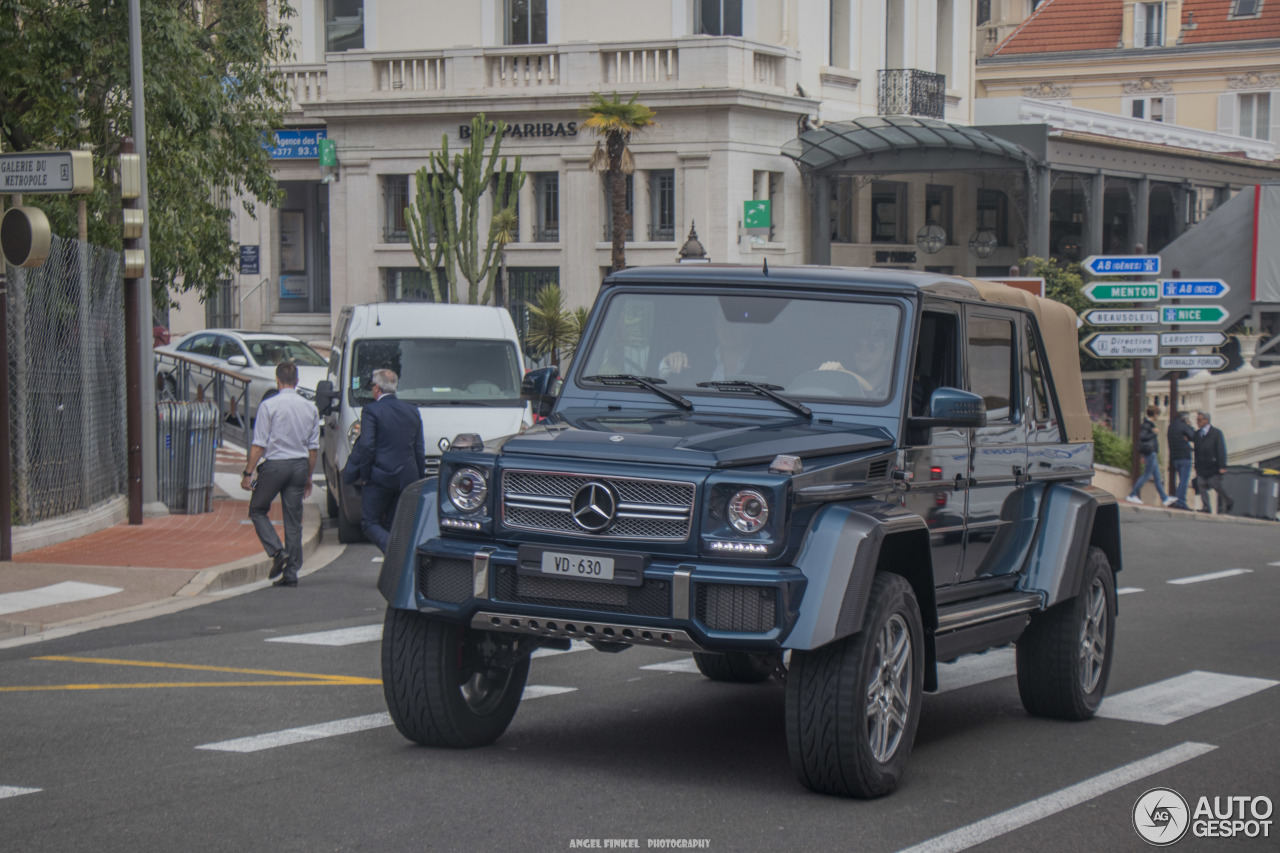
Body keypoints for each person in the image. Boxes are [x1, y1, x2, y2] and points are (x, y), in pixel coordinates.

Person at [242, 361, 320, 587]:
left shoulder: (269, 406)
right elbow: (313, 449)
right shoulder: (310, 408)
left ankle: (277, 552)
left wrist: (248, 474)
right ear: (296, 382)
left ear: (277, 380)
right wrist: (308, 477)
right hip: (298, 466)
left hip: (275, 465)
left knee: (257, 509)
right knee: (293, 520)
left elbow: (259, 445)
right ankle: (292, 572)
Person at [342, 368, 426, 552]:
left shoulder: (371, 410)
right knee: (393, 524)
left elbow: (367, 445)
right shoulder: (411, 411)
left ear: (377, 388)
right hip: (407, 476)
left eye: (372, 385)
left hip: (380, 475)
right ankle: (394, 572)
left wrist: (364, 474)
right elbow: (419, 449)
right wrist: (420, 477)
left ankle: (396, 555)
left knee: (369, 522)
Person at [1126, 405, 1172, 506]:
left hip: (1151, 452)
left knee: (1157, 477)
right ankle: (1132, 494)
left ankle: (1164, 498)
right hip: (1150, 452)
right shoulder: (1148, 425)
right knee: (1147, 474)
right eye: (1157, 414)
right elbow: (1142, 437)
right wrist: (1153, 433)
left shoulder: (1148, 424)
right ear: (1155, 414)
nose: (1158, 416)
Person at [1192, 410, 1232, 514]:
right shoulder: (1197, 434)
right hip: (1202, 465)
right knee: (1201, 485)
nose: (1197, 422)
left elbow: (1221, 449)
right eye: (1197, 420)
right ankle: (1206, 507)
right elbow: (1196, 450)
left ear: (1206, 421)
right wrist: (1195, 465)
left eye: (1199, 420)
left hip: (1213, 465)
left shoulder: (1216, 433)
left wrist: (1222, 465)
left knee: (1215, 484)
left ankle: (1228, 500)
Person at [1166, 410, 1196, 510]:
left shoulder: (1171, 426)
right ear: (1185, 418)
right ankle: (1180, 501)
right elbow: (1193, 436)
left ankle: (1179, 500)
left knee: (1180, 480)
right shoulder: (1183, 426)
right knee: (1183, 481)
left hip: (1175, 457)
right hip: (1184, 456)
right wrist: (1190, 426)